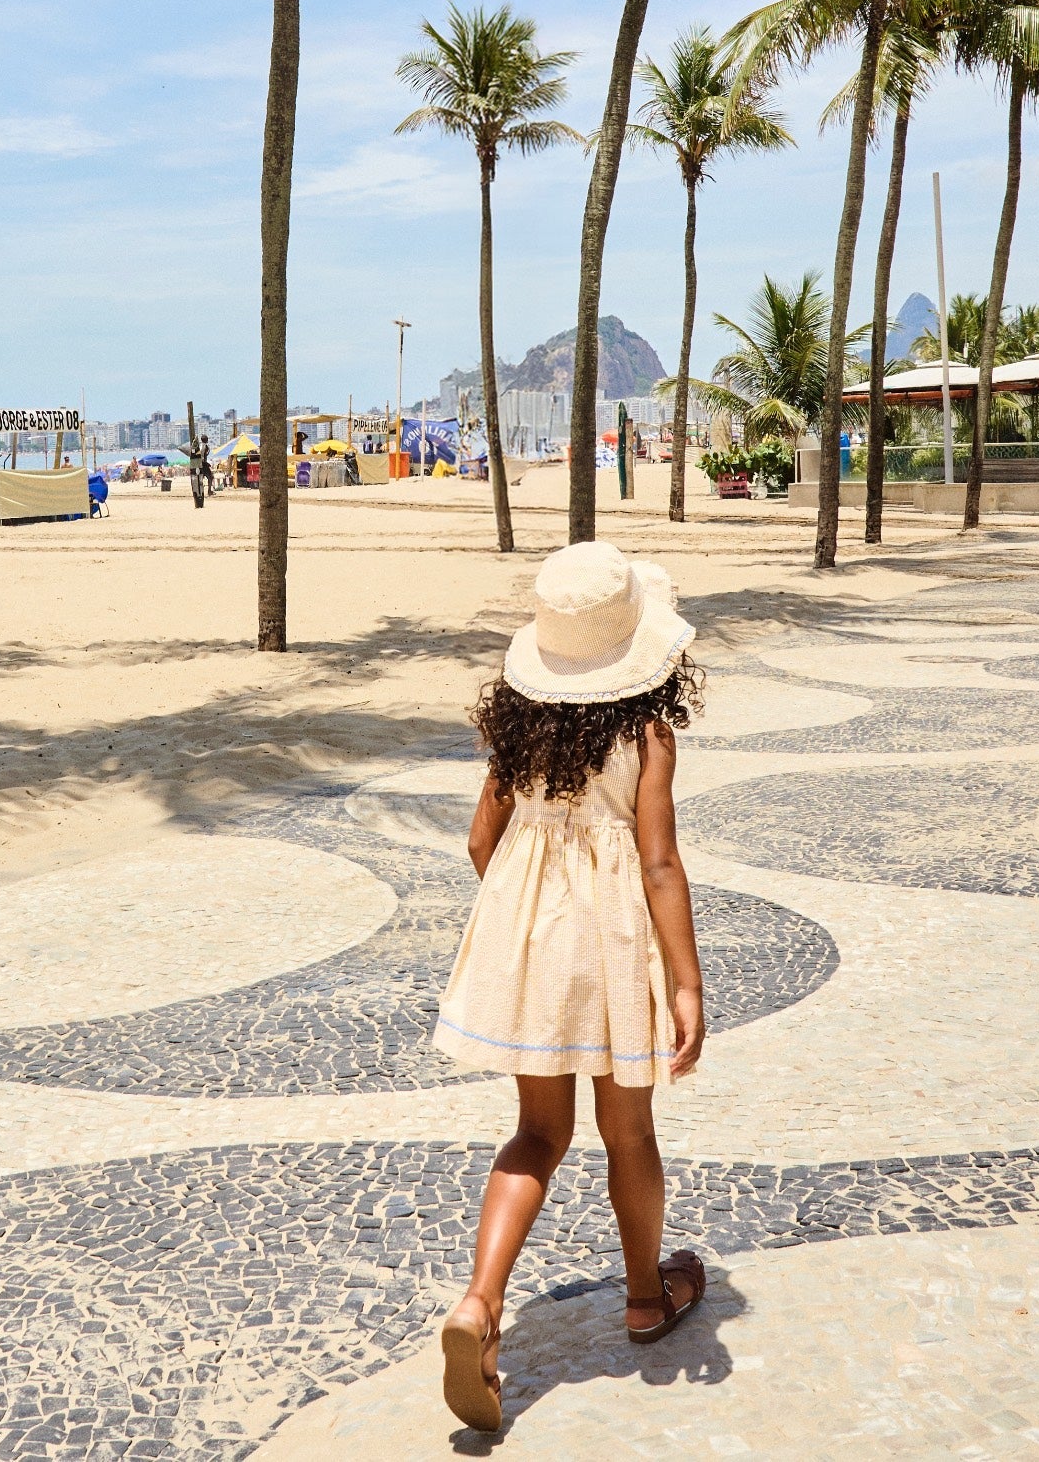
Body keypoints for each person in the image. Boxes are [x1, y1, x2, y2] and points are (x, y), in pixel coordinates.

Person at [434, 542, 707, 1434]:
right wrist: (686, 984)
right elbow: (660, 863)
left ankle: (478, 1305)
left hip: (531, 943)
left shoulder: (517, 733)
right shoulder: (647, 735)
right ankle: (642, 1297)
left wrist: (526, 929)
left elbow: (482, 843)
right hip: (616, 942)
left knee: (536, 1132)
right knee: (627, 1131)